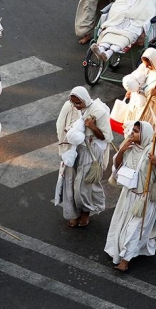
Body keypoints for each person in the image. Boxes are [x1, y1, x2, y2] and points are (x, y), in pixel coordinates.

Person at [105, 122, 156, 272]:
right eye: (133, 130)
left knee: (134, 230)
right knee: (123, 228)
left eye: (136, 131)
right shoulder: (129, 147)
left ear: (144, 134)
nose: (132, 133)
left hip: (145, 199)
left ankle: (125, 260)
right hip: (128, 195)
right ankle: (126, 250)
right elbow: (117, 167)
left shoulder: (154, 149)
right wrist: (122, 151)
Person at [54, 86, 113, 228]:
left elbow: (106, 137)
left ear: (85, 99)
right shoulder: (71, 107)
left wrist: (92, 127)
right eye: (74, 103)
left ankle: (86, 212)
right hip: (74, 150)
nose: (76, 106)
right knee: (70, 182)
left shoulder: (99, 112)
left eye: (78, 103)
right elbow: (61, 124)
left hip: (91, 152)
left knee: (83, 187)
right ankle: (73, 213)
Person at [90, 0, 156, 62]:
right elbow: (115, 9)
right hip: (119, 20)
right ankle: (101, 48)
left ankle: (108, 53)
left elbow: (150, 15)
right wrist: (123, 15)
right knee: (111, 30)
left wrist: (130, 15)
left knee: (126, 35)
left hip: (136, 23)